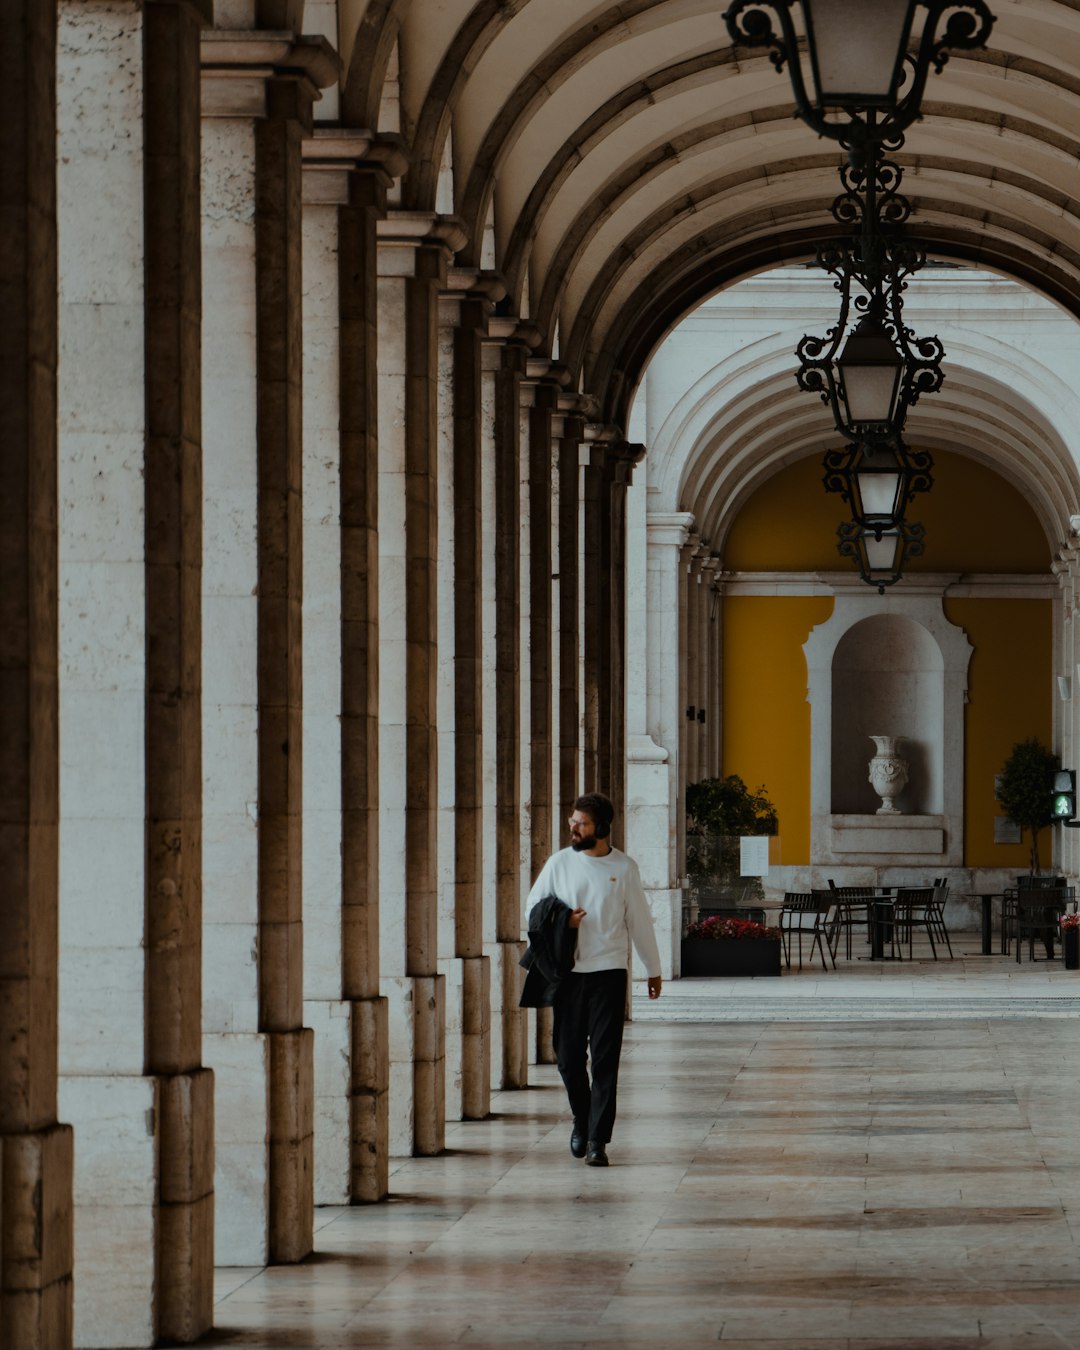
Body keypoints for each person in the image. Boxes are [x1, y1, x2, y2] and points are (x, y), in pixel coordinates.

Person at [525, 792, 662, 1166]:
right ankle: (581, 1120)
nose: (573, 828)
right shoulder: (558, 864)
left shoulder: (625, 868)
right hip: (568, 975)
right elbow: (532, 909)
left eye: (581, 823)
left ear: (600, 828)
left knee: (604, 1060)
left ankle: (598, 1140)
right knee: (568, 1059)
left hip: (609, 974)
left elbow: (640, 922)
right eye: (572, 821)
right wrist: (562, 921)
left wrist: (653, 969)